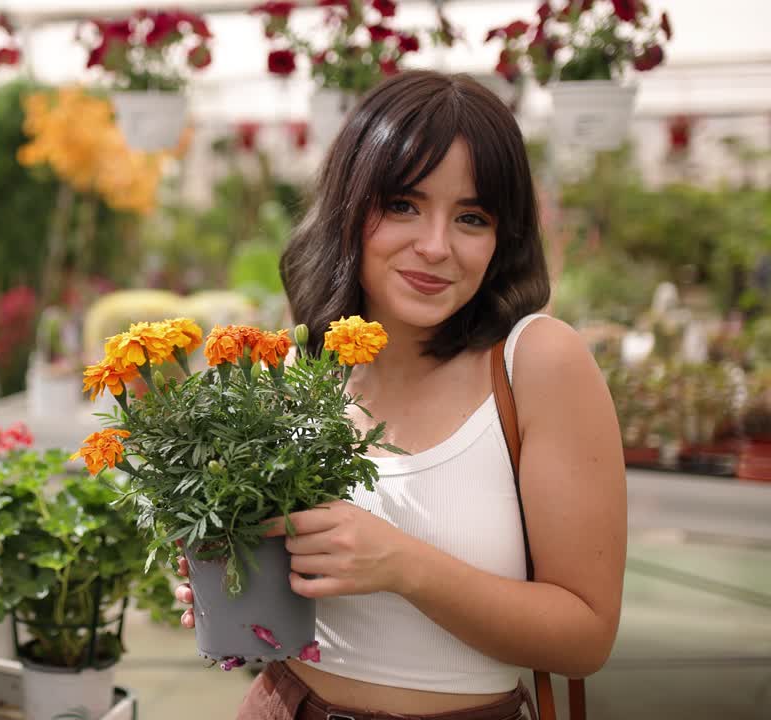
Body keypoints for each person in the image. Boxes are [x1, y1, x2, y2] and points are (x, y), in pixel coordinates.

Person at [175, 71, 627, 720]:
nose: (436, 246)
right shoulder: (307, 365)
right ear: (349, 207)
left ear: (504, 238)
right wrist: (235, 580)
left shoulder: (536, 361)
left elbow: (586, 636)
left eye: (471, 217)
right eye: (403, 206)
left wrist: (401, 565)